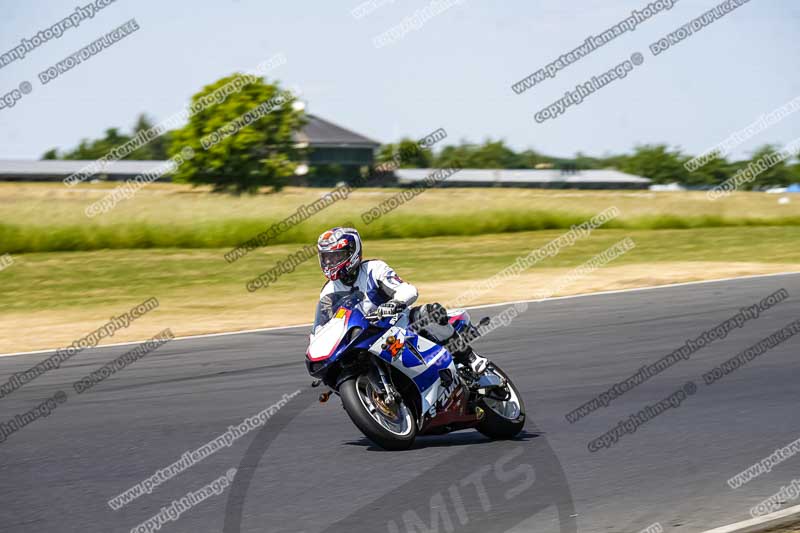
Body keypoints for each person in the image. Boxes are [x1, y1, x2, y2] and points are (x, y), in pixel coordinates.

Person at [314, 226, 487, 374]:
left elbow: (408, 290)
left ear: (352, 252)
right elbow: (322, 329)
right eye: (326, 257)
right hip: (365, 341)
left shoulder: (374, 270)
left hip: (400, 324)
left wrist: (393, 304)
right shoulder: (328, 292)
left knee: (431, 313)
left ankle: (471, 358)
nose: (329, 262)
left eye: (335, 257)